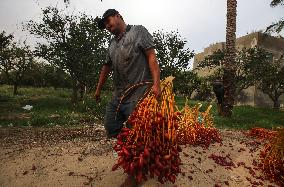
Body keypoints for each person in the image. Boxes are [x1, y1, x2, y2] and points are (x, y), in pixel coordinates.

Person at [94, 9, 161, 187]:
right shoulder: (111, 44)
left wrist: (156, 84)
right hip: (119, 94)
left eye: (109, 22)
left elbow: (151, 57)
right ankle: (140, 154)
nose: (107, 27)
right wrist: (98, 89)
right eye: (105, 25)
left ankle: (136, 171)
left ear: (118, 16)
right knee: (111, 125)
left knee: (137, 134)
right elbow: (106, 67)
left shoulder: (139, 31)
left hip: (139, 93)